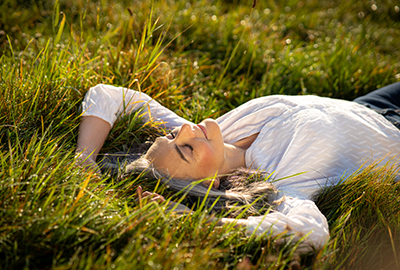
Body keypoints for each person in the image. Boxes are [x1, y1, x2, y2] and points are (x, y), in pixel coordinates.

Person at [76, 82, 400, 250]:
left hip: (371, 105)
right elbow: (311, 233)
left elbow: (109, 96)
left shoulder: (218, 133)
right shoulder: (284, 183)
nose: (188, 130)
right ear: (210, 184)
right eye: (186, 150)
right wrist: (195, 222)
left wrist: (84, 162)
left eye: (174, 134)